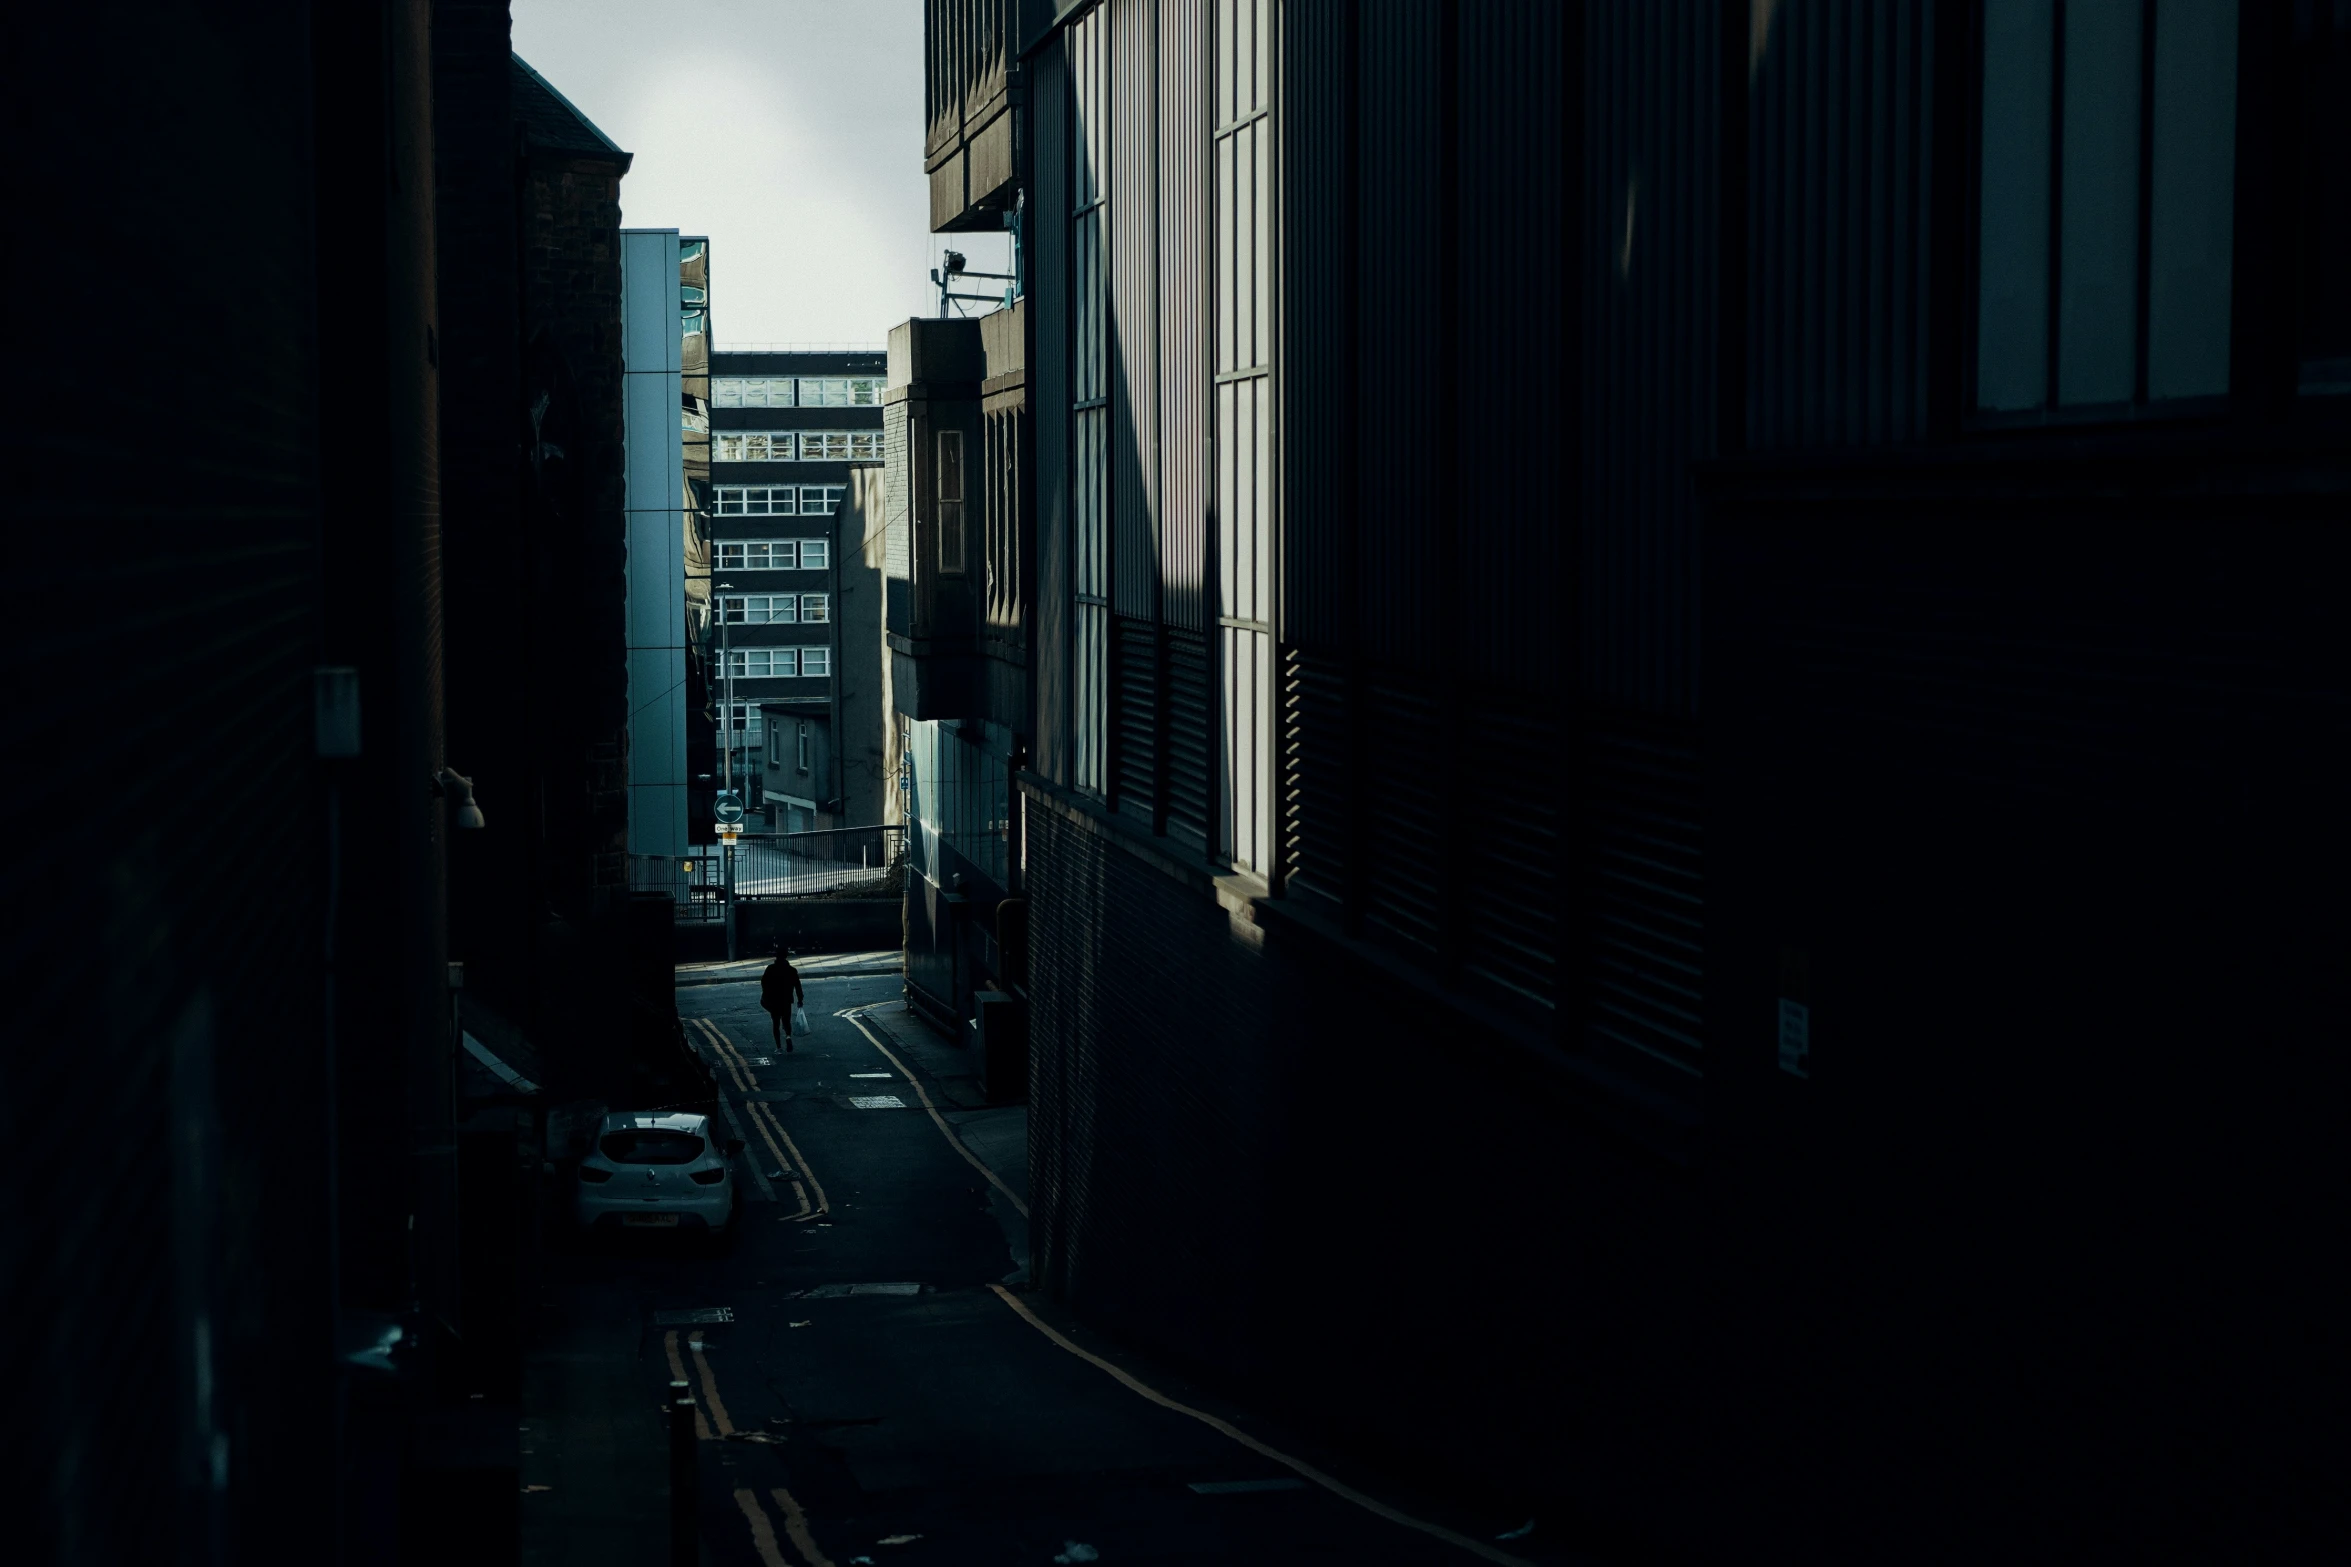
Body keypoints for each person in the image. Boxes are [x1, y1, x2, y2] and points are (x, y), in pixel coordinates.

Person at [760, 943, 805, 1053]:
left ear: (776, 956)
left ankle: (779, 1047)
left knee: (776, 1023)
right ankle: (788, 1036)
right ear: (786, 956)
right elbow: (798, 986)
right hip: (786, 1000)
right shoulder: (792, 970)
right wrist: (800, 999)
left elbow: (764, 983)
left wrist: (766, 995)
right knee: (786, 1021)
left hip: (774, 1001)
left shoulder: (770, 969)